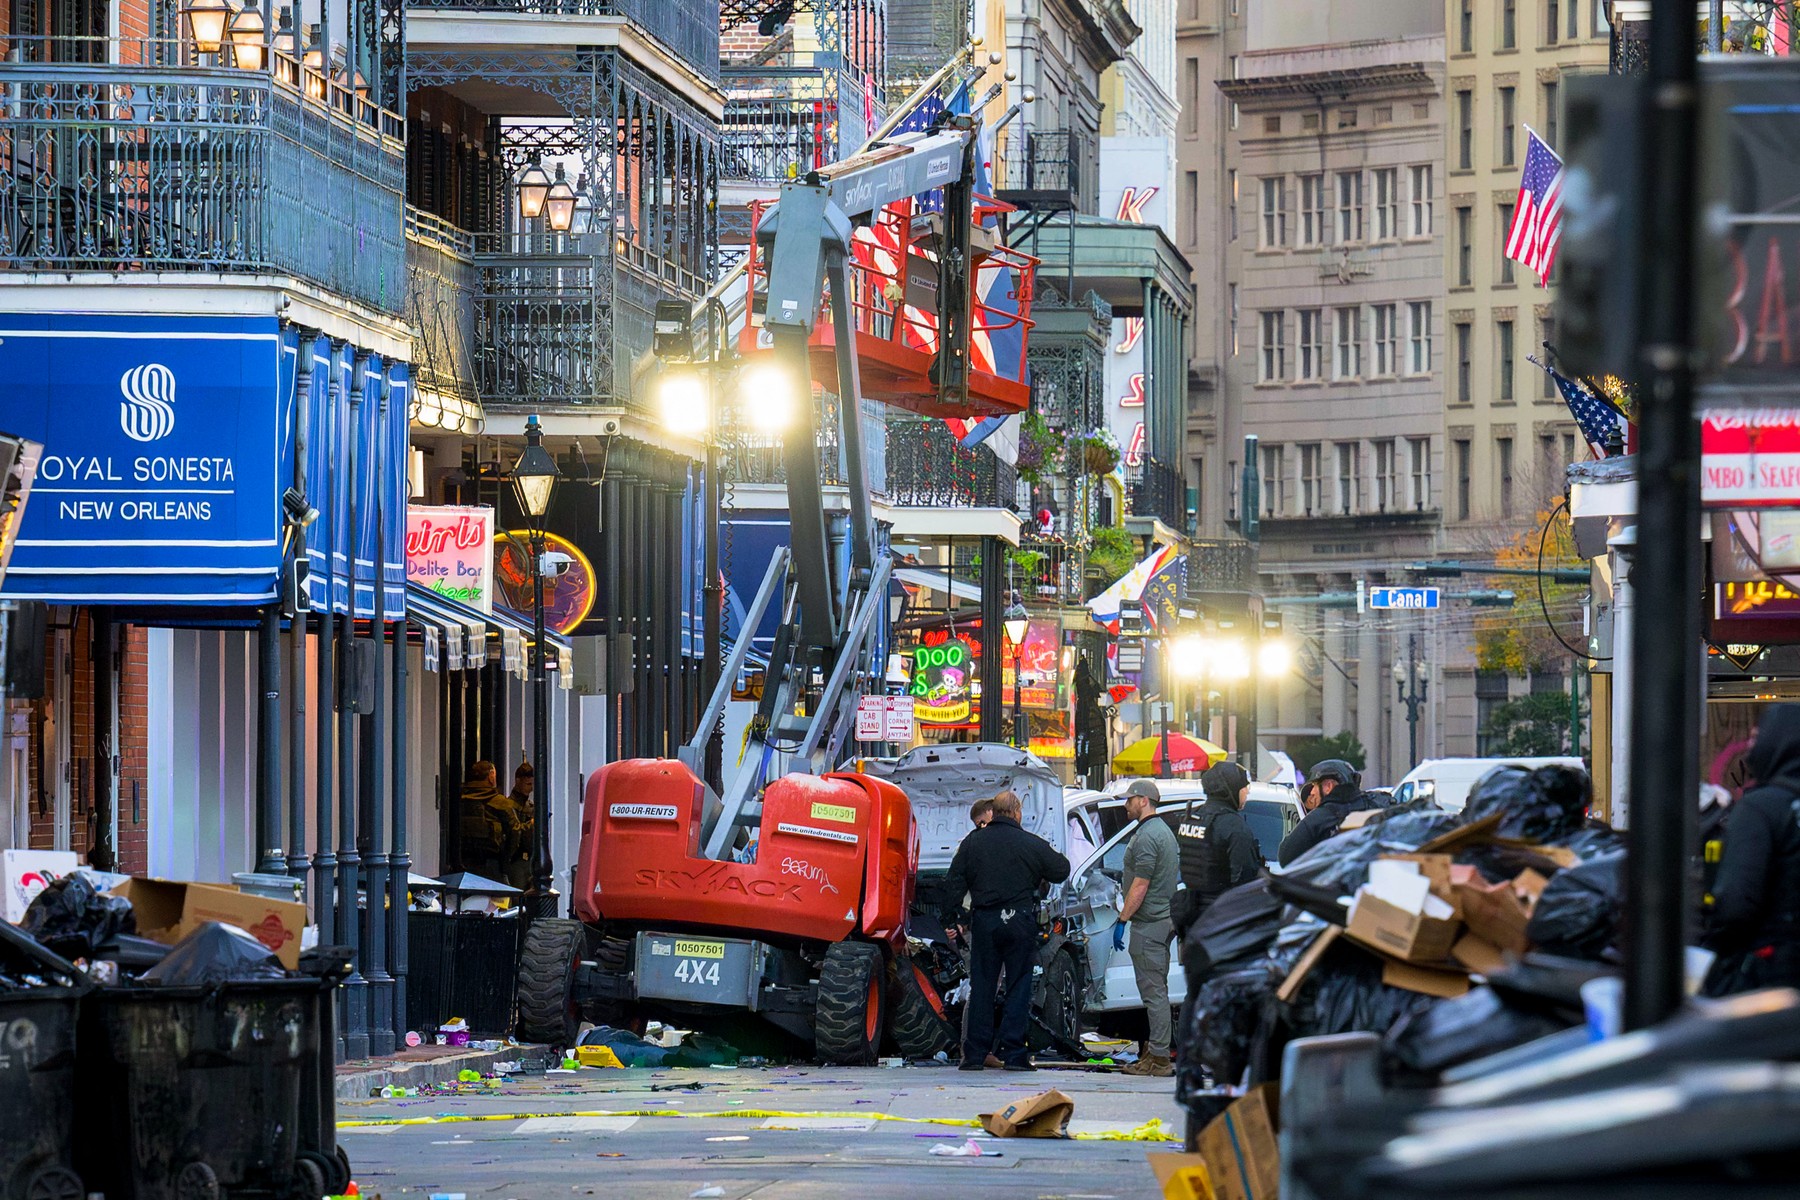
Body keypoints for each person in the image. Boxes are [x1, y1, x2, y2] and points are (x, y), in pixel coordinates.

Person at [942, 789, 1070, 1071]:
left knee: (982, 988)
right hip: (1019, 922)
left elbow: (952, 883)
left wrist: (954, 918)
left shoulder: (973, 843)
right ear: (1017, 813)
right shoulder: (1029, 843)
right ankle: (1014, 1054)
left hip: (985, 923)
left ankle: (974, 1055)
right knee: (1018, 987)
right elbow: (1061, 869)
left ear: (995, 812)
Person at [1705, 705, 1800, 993]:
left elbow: (1736, 903)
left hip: (1769, 972)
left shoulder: (1759, 809)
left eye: (1757, 738)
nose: (1749, 747)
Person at [1113, 780, 1180, 1078]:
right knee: (1157, 989)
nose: (1126, 805)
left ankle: (1160, 1059)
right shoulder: (1163, 831)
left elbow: (1140, 885)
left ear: (1143, 801)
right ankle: (1153, 1054)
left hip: (1149, 923)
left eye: (1129, 800)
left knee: (1154, 993)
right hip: (1162, 920)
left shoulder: (1147, 836)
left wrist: (1122, 919)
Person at [1172, 761, 1264, 936]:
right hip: (1223, 920)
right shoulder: (1233, 826)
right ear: (1231, 788)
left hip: (1192, 915)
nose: (1248, 791)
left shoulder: (1193, 817)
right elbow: (1245, 879)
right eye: (1244, 786)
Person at [1277, 759, 1378, 867]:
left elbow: (1285, 857)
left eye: (1314, 785)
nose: (1311, 792)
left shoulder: (1318, 819)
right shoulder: (1376, 806)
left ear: (1328, 786)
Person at [458, 760, 520, 882]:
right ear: (491, 776)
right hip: (493, 865)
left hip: (463, 864)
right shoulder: (500, 802)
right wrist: (506, 858)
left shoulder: (460, 800)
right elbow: (515, 832)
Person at [501, 762, 537, 892]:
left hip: (529, 860)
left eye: (532, 784)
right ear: (518, 781)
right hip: (515, 861)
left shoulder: (530, 806)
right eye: (528, 784)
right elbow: (514, 833)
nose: (531, 788)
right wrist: (532, 824)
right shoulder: (508, 806)